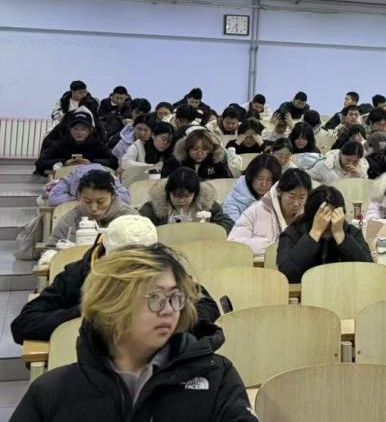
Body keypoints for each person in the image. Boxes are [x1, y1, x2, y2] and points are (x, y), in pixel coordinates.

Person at [11, 244, 252, 422]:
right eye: (155, 298)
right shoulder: (53, 391)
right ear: (112, 303)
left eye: (175, 297)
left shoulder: (216, 375)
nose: (169, 310)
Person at [14, 215, 221, 344]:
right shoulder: (78, 274)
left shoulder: (167, 273)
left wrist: (172, 315)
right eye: (125, 264)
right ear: (106, 252)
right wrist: (93, 312)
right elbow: (25, 324)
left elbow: (207, 307)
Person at [275, 186, 373, 283]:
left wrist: (341, 236)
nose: (327, 224)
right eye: (322, 217)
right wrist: (314, 234)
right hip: (305, 291)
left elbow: (368, 273)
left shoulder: (351, 232)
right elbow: (286, 275)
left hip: (345, 290)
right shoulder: (293, 233)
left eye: (333, 216)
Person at [228, 167, 311, 255]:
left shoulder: (310, 216)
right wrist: (270, 246)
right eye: (291, 197)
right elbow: (232, 243)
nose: (296, 203)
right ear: (279, 192)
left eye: (301, 197)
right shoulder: (255, 211)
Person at [50, 168, 138, 244]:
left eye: (101, 202)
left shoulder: (131, 219)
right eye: (87, 201)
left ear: (113, 196)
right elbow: (52, 248)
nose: (94, 208)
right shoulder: (70, 220)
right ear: (79, 197)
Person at [139, 168, 233, 232]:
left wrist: (209, 227)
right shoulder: (153, 208)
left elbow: (228, 224)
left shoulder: (208, 205)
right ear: (168, 192)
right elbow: (139, 227)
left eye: (187, 196)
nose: (181, 200)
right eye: (176, 195)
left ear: (195, 194)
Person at [35, 110, 117, 176]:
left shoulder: (97, 145)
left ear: (90, 130)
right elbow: (40, 163)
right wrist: (64, 162)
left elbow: (113, 162)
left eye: (83, 129)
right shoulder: (61, 145)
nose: (79, 132)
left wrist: (91, 163)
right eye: (75, 129)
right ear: (70, 129)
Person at [222, 154, 281, 222]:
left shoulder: (278, 196)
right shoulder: (232, 201)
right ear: (251, 177)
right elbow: (235, 227)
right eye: (260, 178)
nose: (264, 184)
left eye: (269, 180)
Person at [46, 163, 131, 208]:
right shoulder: (70, 179)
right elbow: (53, 199)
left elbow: (126, 197)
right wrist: (79, 199)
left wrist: (106, 199)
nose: (93, 207)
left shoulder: (110, 178)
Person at [161, 128, 232, 180]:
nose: (199, 153)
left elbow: (225, 183)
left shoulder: (217, 162)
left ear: (210, 149)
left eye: (204, 149)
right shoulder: (174, 163)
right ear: (187, 148)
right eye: (195, 149)